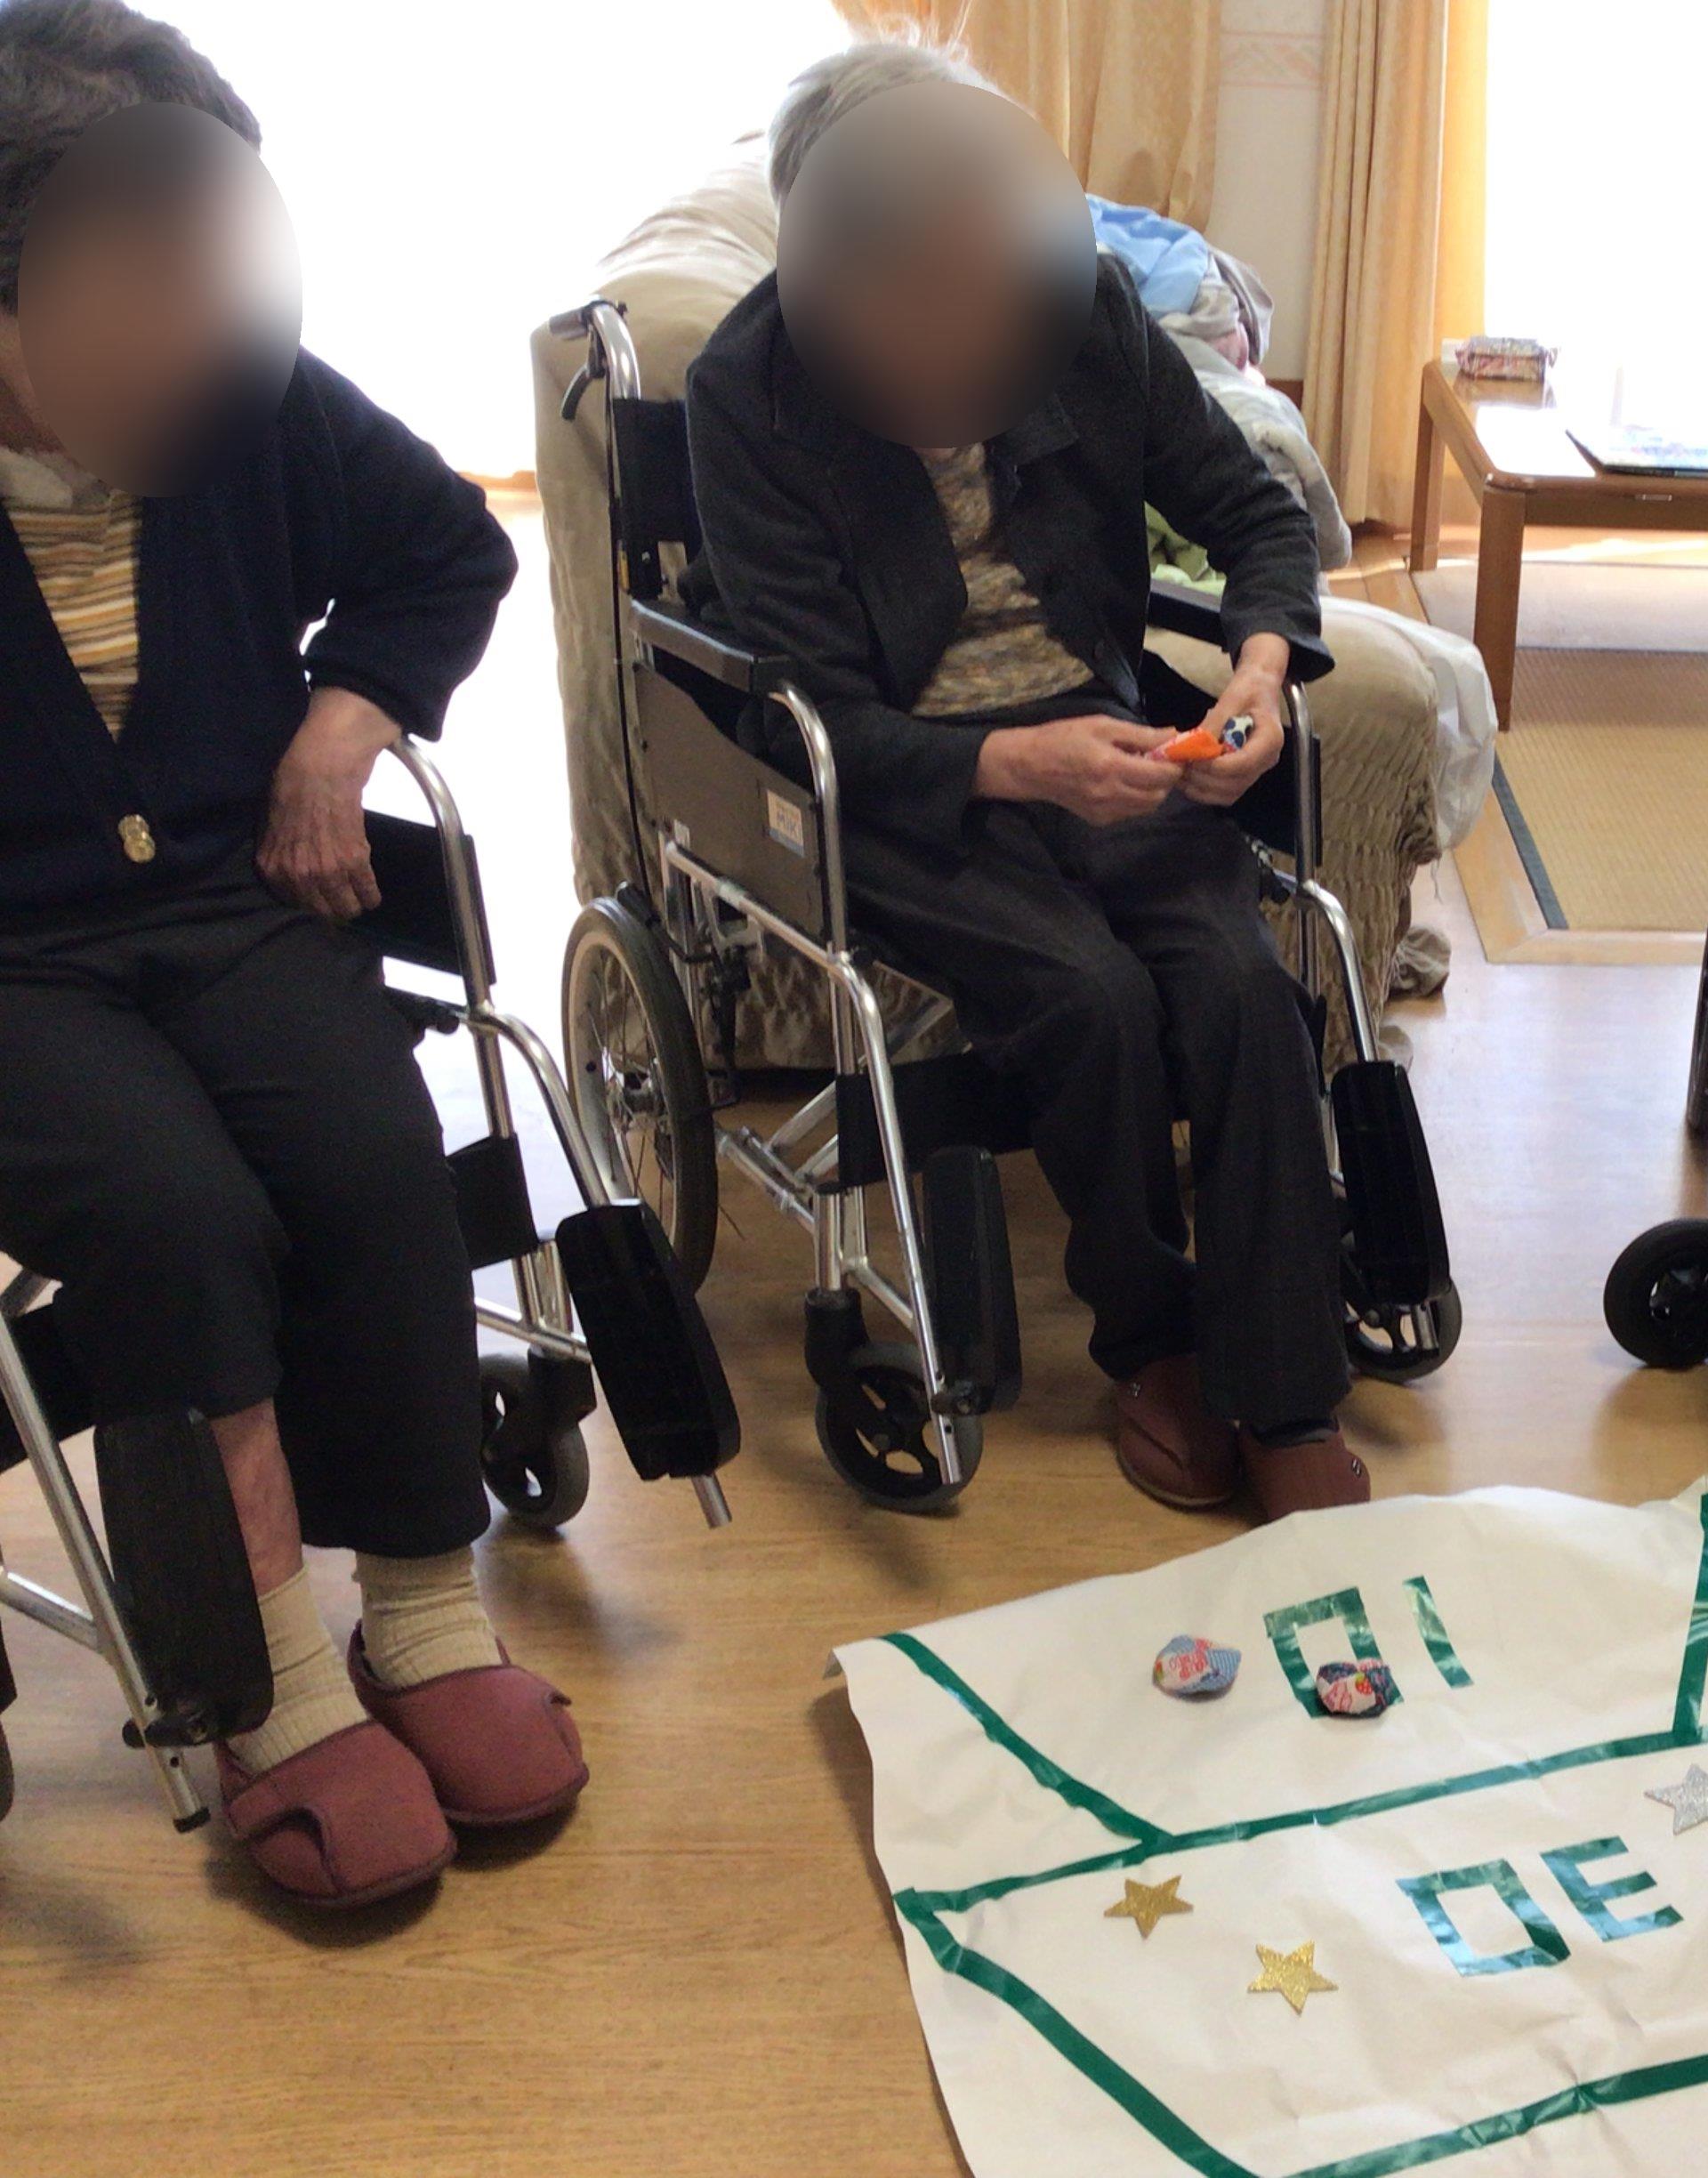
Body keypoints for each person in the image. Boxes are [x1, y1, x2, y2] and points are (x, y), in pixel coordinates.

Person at [0, 0, 574, 1908]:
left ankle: (421, 1607)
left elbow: (444, 553)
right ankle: (263, 1681)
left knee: (371, 1154)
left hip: (226, 894)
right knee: (173, 1213)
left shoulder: (239, 399)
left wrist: (344, 723)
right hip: (12, 961)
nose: (200, 317)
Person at [683, 44, 1364, 1522]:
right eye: (916, 275)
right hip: (909, 782)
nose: (960, 311)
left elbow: (1253, 514)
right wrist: (1007, 764)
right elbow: (814, 711)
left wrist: (1257, 669)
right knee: (1089, 996)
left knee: (1246, 992)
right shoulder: (748, 393)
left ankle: (1286, 1387)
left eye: (981, 258)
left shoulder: (1080, 313)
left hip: (1103, 734)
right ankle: (1154, 1344)